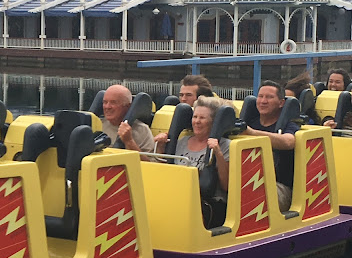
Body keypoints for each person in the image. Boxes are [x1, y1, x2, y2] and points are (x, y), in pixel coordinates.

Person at [154, 96, 230, 228]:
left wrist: (218, 153)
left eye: (202, 118)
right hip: (177, 196)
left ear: (213, 122)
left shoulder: (225, 145)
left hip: (208, 202)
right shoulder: (182, 141)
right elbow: (164, 173)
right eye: (195, 117)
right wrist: (160, 147)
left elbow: (226, 186)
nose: (197, 121)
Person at [244, 80, 299, 212]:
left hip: (279, 186)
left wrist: (251, 133)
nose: (263, 101)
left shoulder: (289, 125)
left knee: (256, 195)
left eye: (269, 97)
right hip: (248, 180)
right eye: (260, 96)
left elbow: (288, 142)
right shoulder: (250, 122)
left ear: (281, 103)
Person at [101, 85, 154, 158]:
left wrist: (129, 141)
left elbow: (150, 165)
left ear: (127, 106)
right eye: (105, 102)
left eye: (113, 103)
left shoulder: (142, 130)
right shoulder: (97, 124)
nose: (107, 107)